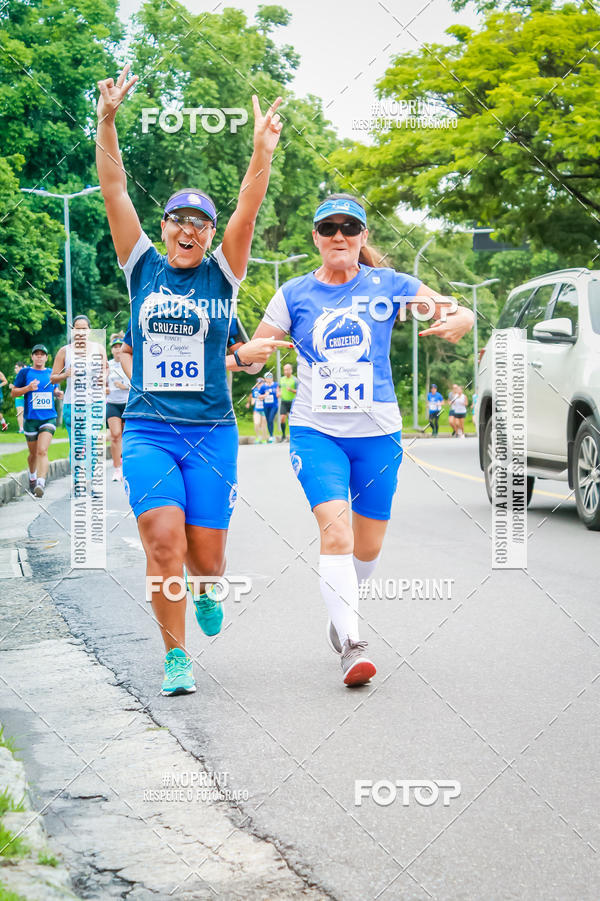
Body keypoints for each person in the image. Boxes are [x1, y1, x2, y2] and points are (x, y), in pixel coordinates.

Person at [96, 64, 290, 696]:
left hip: (211, 431)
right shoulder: (141, 266)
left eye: (199, 224)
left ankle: (209, 587)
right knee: (162, 546)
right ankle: (175, 656)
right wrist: (107, 122)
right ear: (164, 229)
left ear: (209, 237)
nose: (187, 230)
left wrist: (260, 154)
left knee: (207, 560)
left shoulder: (222, 277)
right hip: (151, 428)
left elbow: (248, 207)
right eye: (178, 220)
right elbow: (115, 189)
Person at [251, 193, 474, 686]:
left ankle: (341, 608)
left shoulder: (389, 286)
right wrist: (247, 353)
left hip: (378, 434)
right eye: (328, 228)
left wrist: (464, 317)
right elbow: (254, 350)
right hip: (316, 431)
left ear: (362, 237)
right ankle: (352, 644)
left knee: (367, 548)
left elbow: (449, 308)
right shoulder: (293, 294)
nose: (339, 236)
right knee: (336, 533)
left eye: (349, 228)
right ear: (315, 237)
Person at [11, 345, 63, 497]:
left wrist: (57, 393)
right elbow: (14, 392)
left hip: (48, 417)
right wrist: (27, 388)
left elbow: (55, 389)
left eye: (42, 354)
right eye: (36, 354)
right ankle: (32, 477)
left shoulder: (51, 373)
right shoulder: (25, 372)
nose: (39, 357)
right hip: (31, 419)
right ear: (32, 357)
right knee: (33, 454)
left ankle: (40, 482)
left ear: (47, 358)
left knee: (42, 450)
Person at [50, 314, 108, 443]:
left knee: (90, 440)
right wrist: (65, 374)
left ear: (89, 330)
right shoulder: (64, 351)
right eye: (77, 329)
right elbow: (53, 379)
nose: (81, 332)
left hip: (95, 403)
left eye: (84, 329)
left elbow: (106, 368)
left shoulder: (99, 348)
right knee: (77, 445)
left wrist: (103, 377)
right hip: (73, 403)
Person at [106, 333, 130, 481]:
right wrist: (104, 389)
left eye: (119, 346)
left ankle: (128, 466)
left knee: (126, 437)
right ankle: (117, 469)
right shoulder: (107, 365)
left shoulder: (129, 361)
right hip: (113, 404)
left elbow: (136, 382)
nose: (116, 349)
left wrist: (124, 386)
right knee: (115, 435)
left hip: (128, 404)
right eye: (114, 347)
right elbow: (98, 383)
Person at [279, 362, 297, 441]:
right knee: (282, 418)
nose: (286, 371)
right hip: (284, 401)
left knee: (292, 420)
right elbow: (279, 388)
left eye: (287, 370)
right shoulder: (281, 379)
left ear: (291, 370)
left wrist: (291, 390)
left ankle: (293, 435)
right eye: (284, 370)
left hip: (292, 402)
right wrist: (278, 392)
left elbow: (299, 391)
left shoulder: (295, 380)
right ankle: (283, 435)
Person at [259, 371, 279, 442]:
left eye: (270, 377)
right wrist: (265, 395)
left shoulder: (276, 385)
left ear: (272, 378)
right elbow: (259, 397)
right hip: (266, 406)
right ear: (265, 379)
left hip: (274, 405)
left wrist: (279, 393)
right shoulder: (263, 386)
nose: (269, 379)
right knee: (268, 421)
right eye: (267, 377)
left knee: (270, 419)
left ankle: (271, 436)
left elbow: (279, 393)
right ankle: (271, 435)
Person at [246, 377, 268, 444]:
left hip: (264, 409)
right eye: (259, 383)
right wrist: (250, 403)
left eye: (261, 383)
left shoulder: (266, 389)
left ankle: (264, 439)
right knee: (256, 423)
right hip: (257, 409)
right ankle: (258, 437)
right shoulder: (255, 390)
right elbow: (252, 397)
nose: (260, 384)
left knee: (263, 425)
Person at [11, 363, 26, 433]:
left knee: (25, 413)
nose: (15, 369)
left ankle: (25, 429)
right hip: (18, 398)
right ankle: (21, 429)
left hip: (25, 397)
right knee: (19, 413)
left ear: (21, 367)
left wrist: (13, 387)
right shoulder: (16, 377)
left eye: (16, 367)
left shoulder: (26, 375)